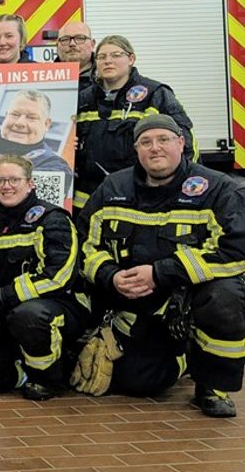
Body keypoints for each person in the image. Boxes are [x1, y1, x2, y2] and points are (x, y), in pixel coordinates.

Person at [77, 114, 245, 417]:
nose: (155, 148)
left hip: (188, 297)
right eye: (146, 142)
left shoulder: (218, 189)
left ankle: (212, 387)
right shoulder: (113, 186)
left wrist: (159, 273)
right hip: (135, 299)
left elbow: (234, 249)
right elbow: (85, 243)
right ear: (136, 150)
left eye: (163, 139)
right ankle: (183, 357)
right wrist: (110, 276)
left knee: (225, 297)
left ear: (181, 143)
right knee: (138, 383)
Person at [0, 155, 89, 401]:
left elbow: (58, 277)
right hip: (2, 311)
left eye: (14, 179)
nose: (6, 186)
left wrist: (1, 300)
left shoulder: (53, 219)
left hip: (58, 305)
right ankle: (21, 370)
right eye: (0, 180)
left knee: (28, 316)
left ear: (30, 183)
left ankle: (47, 379)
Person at [74, 35, 196, 211]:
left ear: (131, 59)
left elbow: (184, 144)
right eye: (102, 57)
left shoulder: (155, 94)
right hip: (89, 200)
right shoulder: (83, 99)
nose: (108, 61)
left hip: (138, 197)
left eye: (116, 55)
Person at [0, 90, 72, 203]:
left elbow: (30, 202)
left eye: (31, 117)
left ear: (46, 124)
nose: (20, 123)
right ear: (6, 116)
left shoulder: (56, 167)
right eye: (15, 114)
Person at [56, 21, 96, 86]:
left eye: (80, 38)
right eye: (65, 39)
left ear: (92, 44)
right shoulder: (44, 78)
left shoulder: (106, 76)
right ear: (57, 45)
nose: (72, 44)